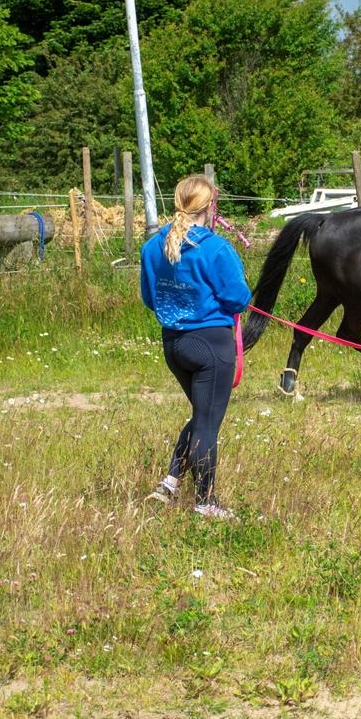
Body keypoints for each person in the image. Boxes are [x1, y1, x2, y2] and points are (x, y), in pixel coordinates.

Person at [141, 174, 251, 519]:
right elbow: (238, 298)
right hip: (211, 347)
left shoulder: (151, 246)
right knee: (207, 424)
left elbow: (149, 297)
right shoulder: (217, 248)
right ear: (210, 208)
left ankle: (170, 482)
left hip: (174, 345)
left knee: (204, 415)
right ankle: (205, 502)